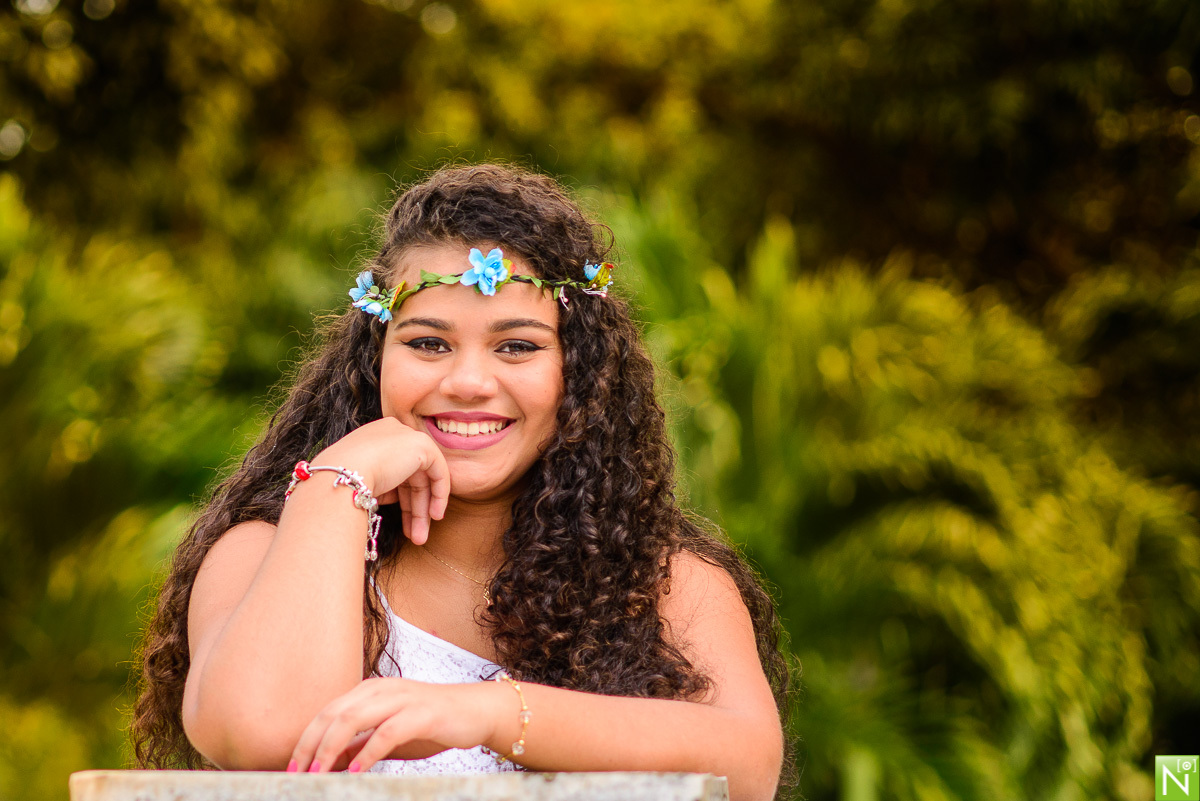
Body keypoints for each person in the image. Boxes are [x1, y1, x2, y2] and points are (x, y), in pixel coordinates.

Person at [130, 164, 791, 801]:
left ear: (580, 372)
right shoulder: (266, 551)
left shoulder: (665, 580)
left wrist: (488, 713)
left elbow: (747, 770)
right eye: (428, 343)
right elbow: (260, 732)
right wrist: (337, 481)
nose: (469, 382)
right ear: (374, 359)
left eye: (517, 346)